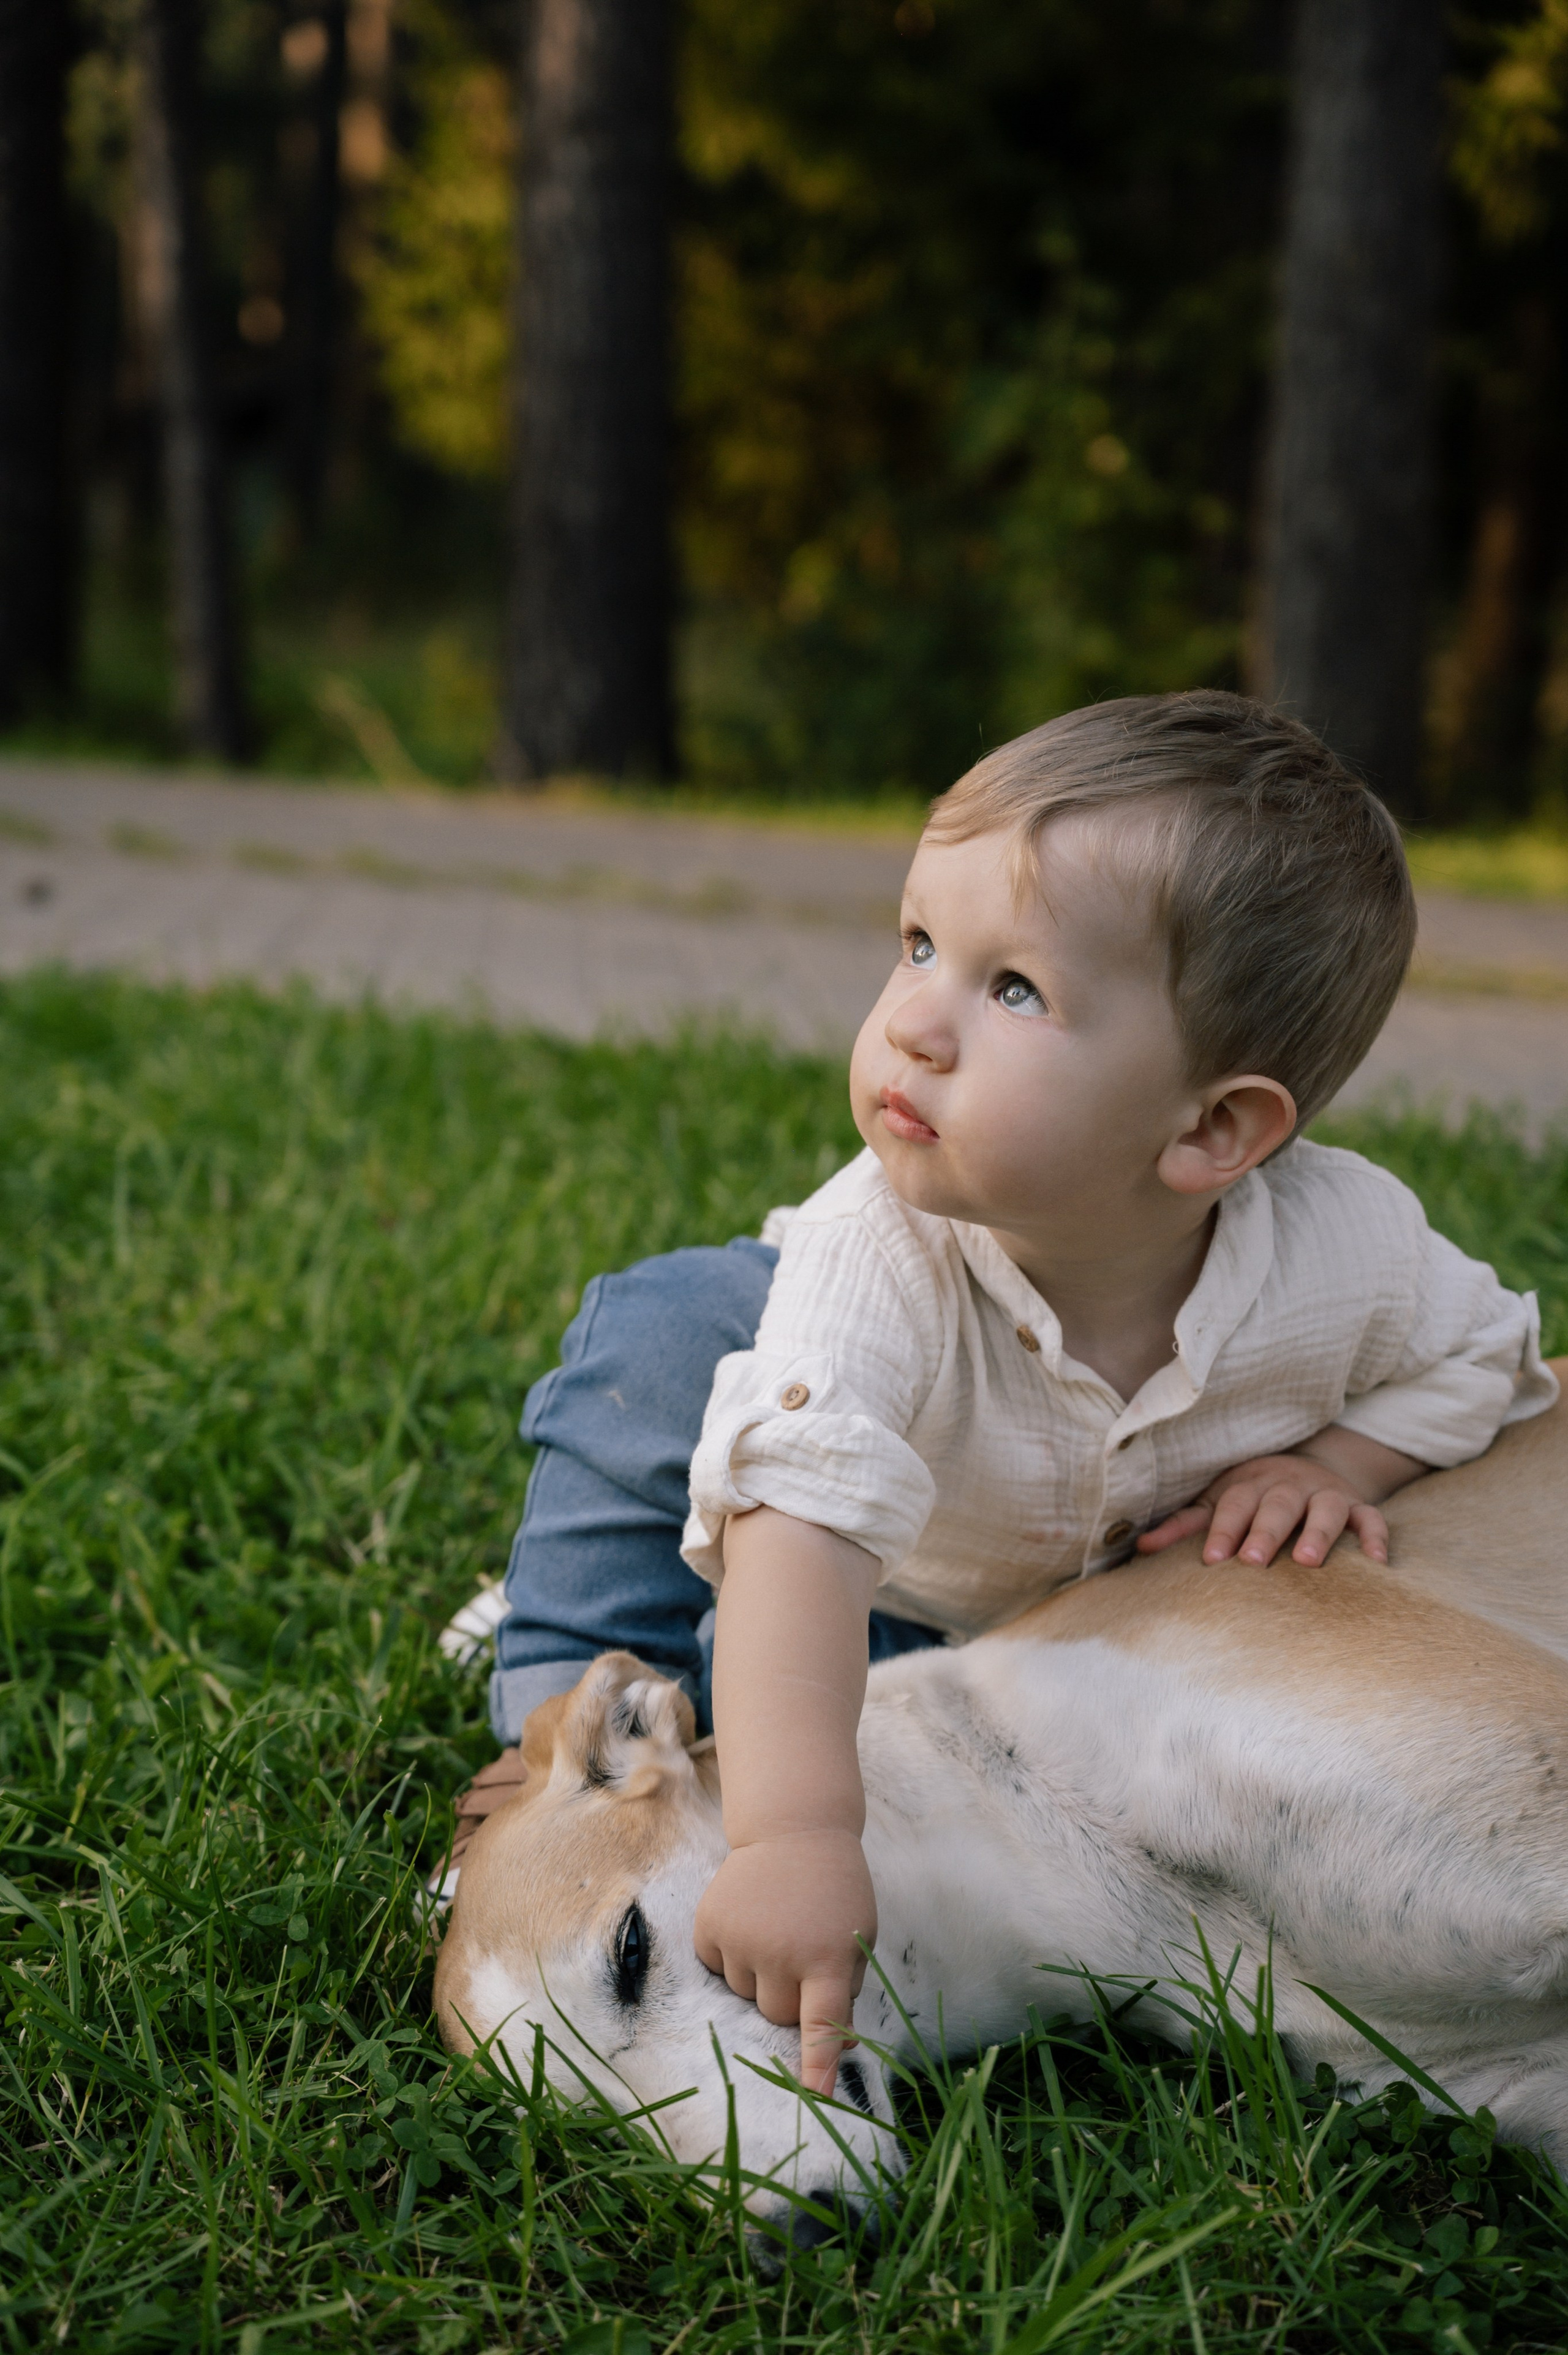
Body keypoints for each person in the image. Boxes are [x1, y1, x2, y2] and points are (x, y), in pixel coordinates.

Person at [448, 691, 1556, 2093]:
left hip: (1023, 1568)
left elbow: (1485, 1355)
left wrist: (1338, 1462)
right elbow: (798, 1533)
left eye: (1011, 986)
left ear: (1213, 1127)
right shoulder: (874, 1253)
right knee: (679, 1368)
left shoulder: (1347, 1253)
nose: (911, 1021)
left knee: (903, 1666)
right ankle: (540, 1696)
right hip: (856, 1492)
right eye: (916, 944)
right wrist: (795, 1840)